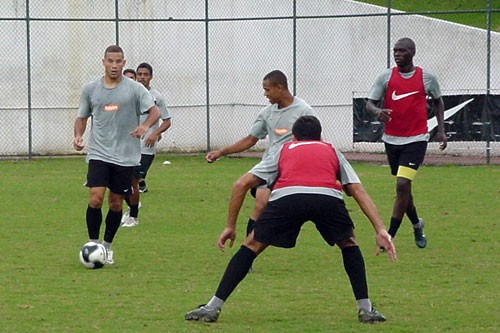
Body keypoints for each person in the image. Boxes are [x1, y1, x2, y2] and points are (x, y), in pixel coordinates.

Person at [185, 115, 397, 324]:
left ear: (294, 138)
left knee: (251, 245)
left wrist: (230, 226)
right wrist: (380, 229)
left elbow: (241, 184)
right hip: (327, 199)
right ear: (320, 137)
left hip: (288, 198)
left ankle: (213, 307)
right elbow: (357, 190)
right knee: (349, 243)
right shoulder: (331, 149)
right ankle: (366, 309)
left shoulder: (283, 149)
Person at [205, 70, 316, 256]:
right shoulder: (267, 113)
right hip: (270, 164)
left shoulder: (304, 111)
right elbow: (250, 139)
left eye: (267, 90)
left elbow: (315, 142)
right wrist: (221, 152)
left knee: (275, 206)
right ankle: (238, 241)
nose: (265, 94)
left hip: (292, 165)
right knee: (252, 196)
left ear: (279, 88)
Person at [73, 45, 160, 264]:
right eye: (110, 61)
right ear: (103, 62)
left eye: (118, 61)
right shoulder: (91, 89)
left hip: (125, 156)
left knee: (115, 204)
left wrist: (145, 126)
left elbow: (154, 112)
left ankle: (107, 247)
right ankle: (93, 244)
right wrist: (78, 136)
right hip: (98, 153)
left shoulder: (135, 89)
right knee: (95, 198)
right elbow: (82, 117)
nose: (114, 65)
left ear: (123, 62)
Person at [365, 37, 447, 248]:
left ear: (412, 52)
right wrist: (377, 111)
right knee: (405, 188)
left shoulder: (426, 77)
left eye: (402, 51)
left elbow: (438, 102)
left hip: (417, 138)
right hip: (392, 139)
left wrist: (441, 130)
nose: (397, 54)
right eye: (395, 51)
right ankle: (417, 225)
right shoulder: (385, 77)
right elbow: (369, 104)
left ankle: (389, 236)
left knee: (402, 184)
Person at [121, 62, 172, 227]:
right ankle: (133, 208)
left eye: (145, 74)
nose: (142, 77)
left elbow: (167, 121)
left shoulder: (157, 97)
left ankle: (133, 213)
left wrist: (155, 133)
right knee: (127, 180)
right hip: (128, 145)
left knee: (134, 178)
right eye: (140, 74)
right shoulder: (129, 95)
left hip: (146, 148)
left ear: (151, 77)